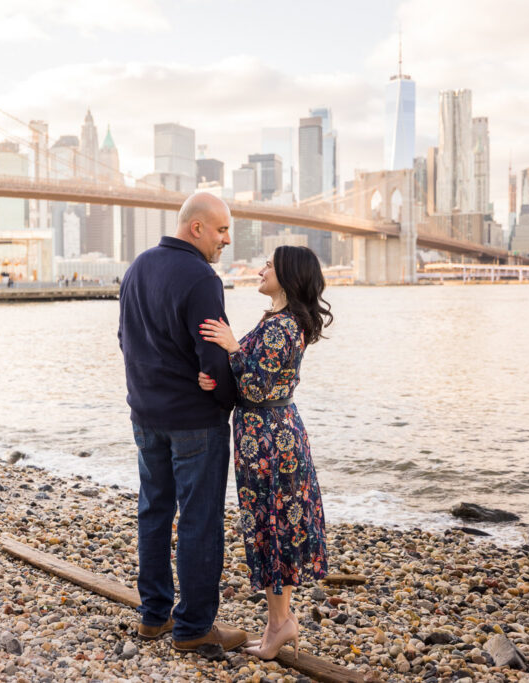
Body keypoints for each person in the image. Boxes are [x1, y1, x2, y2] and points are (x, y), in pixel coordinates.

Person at [118, 192, 247, 653]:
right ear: (196, 228)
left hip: (146, 416)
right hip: (195, 421)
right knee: (199, 520)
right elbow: (213, 359)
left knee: (153, 511)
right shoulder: (201, 278)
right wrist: (232, 400)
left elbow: (124, 340)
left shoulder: (136, 269)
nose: (227, 240)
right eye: (221, 230)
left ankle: (153, 616)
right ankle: (193, 628)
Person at [198, 245, 332, 661]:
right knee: (273, 527)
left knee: (276, 527)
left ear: (288, 275)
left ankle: (280, 624)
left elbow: (256, 387)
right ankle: (279, 622)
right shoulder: (279, 320)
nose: (260, 270)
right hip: (268, 434)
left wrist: (233, 347)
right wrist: (220, 378)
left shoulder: (283, 326)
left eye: (269, 266)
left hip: (272, 441)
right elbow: (256, 382)